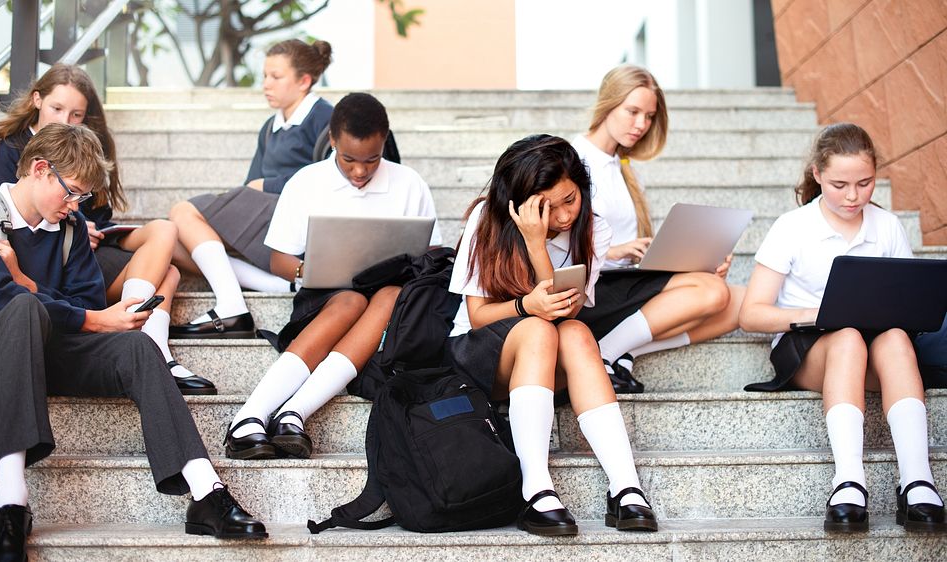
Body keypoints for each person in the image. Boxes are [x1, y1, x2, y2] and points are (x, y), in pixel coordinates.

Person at [0, 124, 267, 561]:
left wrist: (24, 281)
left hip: (52, 351)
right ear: (40, 169)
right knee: (20, 310)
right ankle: (10, 502)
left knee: (138, 346)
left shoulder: (72, 228)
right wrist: (40, 297)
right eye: (72, 192)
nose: (75, 205)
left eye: (81, 197)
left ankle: (205, 492)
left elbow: (84, 305)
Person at [446, 134, 657, 537]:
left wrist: (537, 249)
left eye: (570, 200)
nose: (562, 217)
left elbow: (567, 311)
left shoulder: (595, 230)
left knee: (576, 332)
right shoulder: (486, 220)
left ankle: (626, 486)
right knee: (539, 328)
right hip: (481, 356)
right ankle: (536, 488)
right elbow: (477, 317)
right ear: (520, 202)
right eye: (546, 206)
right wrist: (528, 302)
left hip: (544, 355)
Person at [739, 123, 945, 533]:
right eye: (839, 184)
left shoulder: (885, 226)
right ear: (817, 174)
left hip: (877, 347)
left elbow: (907, 301)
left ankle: (917, 480)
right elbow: (751, 315)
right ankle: (849, 481)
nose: (853, 196)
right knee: (848, 337)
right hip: (808, 347)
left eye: (865, 183)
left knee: (896, 338)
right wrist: (823, 313)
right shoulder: (792, 226)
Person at [223, 93, 441, 460]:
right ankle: (249, 416)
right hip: (325, 298)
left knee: (388, 295)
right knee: (350, 299)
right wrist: (308, 269)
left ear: (384, 141)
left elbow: (431, 252)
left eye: (371, 160)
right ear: (333, 142)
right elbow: (279, 259)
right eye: (349, 159)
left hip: (388, 308)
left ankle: (295, 413)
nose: (360, 171)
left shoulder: (409, 183)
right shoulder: (306, 182)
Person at [0, 63, 214, 395]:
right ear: (36, 100)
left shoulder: (87, 145)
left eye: (76, 114)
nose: (65, 120)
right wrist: (66, 221)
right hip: (52, 255)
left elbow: (100, 211)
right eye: (57, 108)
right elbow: (15, 210)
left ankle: (149, 347)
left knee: (164, 230)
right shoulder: (16, 146)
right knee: (170, 274)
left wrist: (86, 225)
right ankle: (155, 353)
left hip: (91, 243)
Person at [573, 65, 742, 393]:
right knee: (712, 291)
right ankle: (604, 353)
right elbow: (556, 242)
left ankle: (625, 349)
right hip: (597, 287)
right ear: (608, 104)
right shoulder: (573, 160)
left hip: (628, 279)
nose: (641, 125)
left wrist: (701, 260)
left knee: (740, 301)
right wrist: (611, 251)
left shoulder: (625, 168)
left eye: (649, 116)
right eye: (632, 111)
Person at [169, 39, 334, 337]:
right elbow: (250, 185)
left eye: (276, 76)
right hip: (265, 218)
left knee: (183, 212)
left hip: (294, 219)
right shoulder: (270, 126)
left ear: (304, 81)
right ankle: (278, 284)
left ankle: (232, 305)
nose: (266, 84)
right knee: (173, 241)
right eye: (265, 76)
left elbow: (333, 177)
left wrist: (268, 184)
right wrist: (257, 187)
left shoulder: (324, 117)